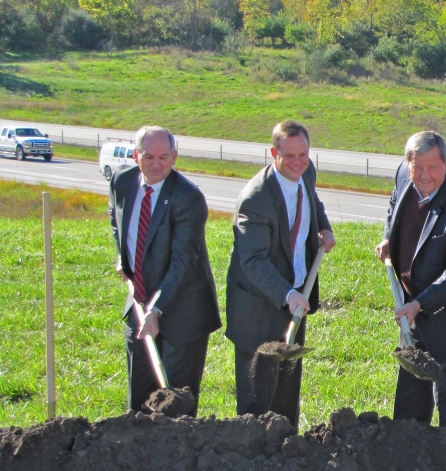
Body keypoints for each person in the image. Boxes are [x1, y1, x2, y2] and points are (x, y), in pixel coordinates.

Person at [375, 131, 446, 428]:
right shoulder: (405, 174)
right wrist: (389, 236)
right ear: (408, 164)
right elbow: (394, 206)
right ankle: (409, 466)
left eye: (432, 168)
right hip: (412, 314)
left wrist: (420, 303)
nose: (424, 176)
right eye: (417, 168)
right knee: (408, 412)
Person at [225, 120, 335, 426]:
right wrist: (287, 295)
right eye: (289, 156)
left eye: (303, 155)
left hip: (295, 294)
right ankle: (254, 458)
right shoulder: (256, 200)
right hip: (260, 307)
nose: (298, 162)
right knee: (258, 397)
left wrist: (323, 225)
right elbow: (254, 261)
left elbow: (311, 197)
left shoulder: (306, 173)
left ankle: (287, 450)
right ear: (274, 153)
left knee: (287, 386)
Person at [109, 125, 220, 414]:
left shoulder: (188, 198)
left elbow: (183, 262)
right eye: (148, 157)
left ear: (174, 157)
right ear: (136, 156)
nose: (156, 165)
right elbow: (116, 216)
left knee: (175, 404)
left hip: (184, 309)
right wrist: (124, 257)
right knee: (140, 401)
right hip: (139, 301)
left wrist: (156, 311)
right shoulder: (122, 182)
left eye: (163, 157)